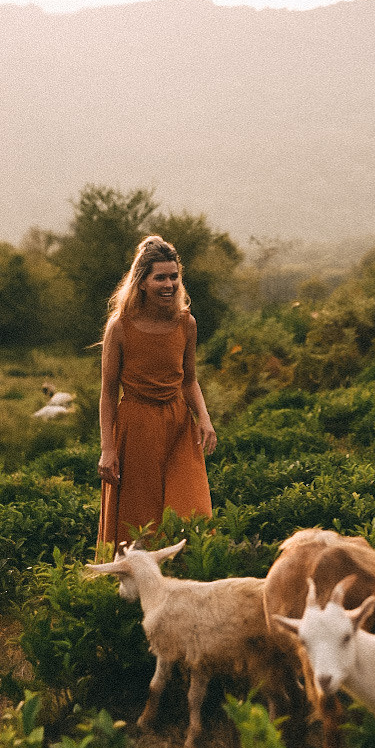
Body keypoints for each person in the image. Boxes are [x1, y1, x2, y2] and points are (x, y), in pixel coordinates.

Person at [97, 235, 217, 554]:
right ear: (142, 282)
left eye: (174, 276)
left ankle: (186, 585)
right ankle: (132, 594)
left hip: (179, 425)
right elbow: (108, 394)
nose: (169, 284)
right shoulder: (120, 327)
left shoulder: (186, 323)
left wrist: (204, 419)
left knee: (194, 512)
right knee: (138, 521)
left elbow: (189, 381)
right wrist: (108, 449)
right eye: (160, 277)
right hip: (136, 426)